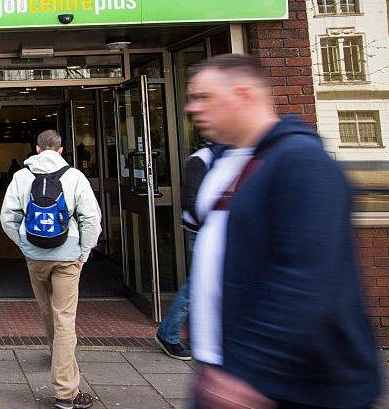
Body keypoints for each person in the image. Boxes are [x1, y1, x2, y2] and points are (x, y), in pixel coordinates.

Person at [185, 54, 381, 408]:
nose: (193, 108)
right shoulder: (224, 161)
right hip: (225, 371)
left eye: (204, 97)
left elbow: (306, 281)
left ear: (244, 94)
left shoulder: (302, 163)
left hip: (294, 386)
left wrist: (251, 371)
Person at [0, 129, 102, 409]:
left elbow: (7, 218)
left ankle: (58, 360)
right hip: (68, 256)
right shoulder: (74, 177)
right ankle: (67, 392)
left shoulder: (21, 176)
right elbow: (91, 219)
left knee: (48, 312)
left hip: (36, 255)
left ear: (36, 149)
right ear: (60, 150)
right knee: (65, 318)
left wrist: (24, 245)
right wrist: (84, 251)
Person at [154, 144, 216, 361]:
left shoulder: (231, 156)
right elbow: (189, 199)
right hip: (204, 233)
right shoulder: (201, 159)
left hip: (222, 233)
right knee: (196, 286)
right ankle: (169, 334)